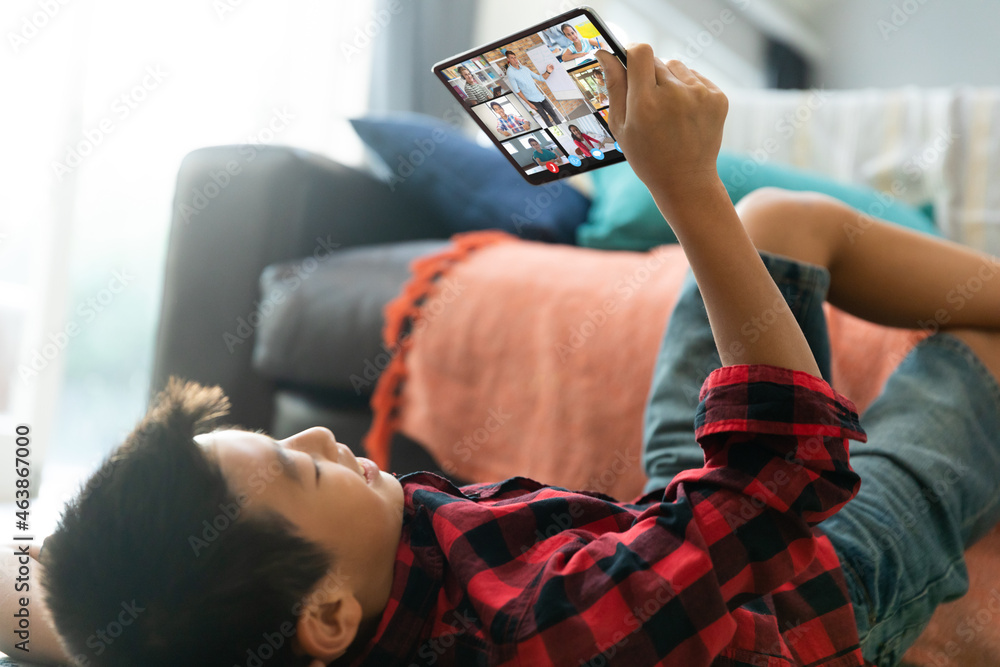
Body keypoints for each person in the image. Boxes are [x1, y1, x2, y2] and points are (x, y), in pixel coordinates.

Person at [17, 45, 1000, 667]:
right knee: (977, 347)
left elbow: (74, 613)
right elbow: (784, 476)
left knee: (776, 222)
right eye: (294, 464)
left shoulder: (309, 604)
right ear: (321, 616)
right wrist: (680, 185)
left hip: (661, 540)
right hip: (811, 591)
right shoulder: (544, 633)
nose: (318, 431)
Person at [502, 48, 563, 126]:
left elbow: (540, 78)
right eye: (512, 58)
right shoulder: (510, 73)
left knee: (554, 115)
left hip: (540, 97)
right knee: (546, 119)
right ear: (508, 59)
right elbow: (517, 91)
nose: (514, 59)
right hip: (532, 100)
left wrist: (548, 71)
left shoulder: (524, 68)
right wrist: (529, 103)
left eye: (515, 57)